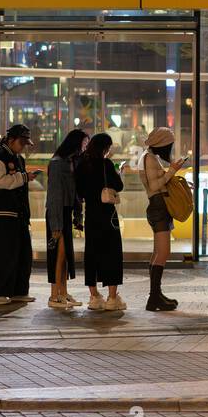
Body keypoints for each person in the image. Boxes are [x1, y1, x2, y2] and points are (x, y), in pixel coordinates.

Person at [0, 125, 38, 307]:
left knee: (22, 254)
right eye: (22, 142)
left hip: (17, 213)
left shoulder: (17, 158)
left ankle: (18, 291)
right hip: (1, 212)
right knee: (2, 254)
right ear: (11, 140)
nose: (24, 147)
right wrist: (24, 177)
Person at [75, 132, 126, 311]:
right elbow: (119, 186)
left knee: (92, 253)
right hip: (107, 215)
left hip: (91, 215)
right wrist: (118, 173)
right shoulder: (106, 164)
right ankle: (112, 298)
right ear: (105, 148)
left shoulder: (82, 165)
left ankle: (94, 297)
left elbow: (79, 192)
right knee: (112, 253)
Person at [141, 126, 185, 312]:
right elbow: (155, 185)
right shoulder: (150, 159)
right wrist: (172, 171)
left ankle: (156, 295)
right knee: (164, 252)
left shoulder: (149, 157)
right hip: (158, 208)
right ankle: (154, 297)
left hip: (159, 207)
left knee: (158, 252)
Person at [45, 129, 88, 310]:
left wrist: (77, 216)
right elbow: (54, 195)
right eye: (84, 143)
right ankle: (54, 295)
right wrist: (55, 224)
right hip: (57, 212)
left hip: (66, 211)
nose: (85, 147)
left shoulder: (71, 161)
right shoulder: (57, 163)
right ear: (75, 143)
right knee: (59, 255)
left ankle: (63, 292)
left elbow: (76, 193)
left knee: (66, 255)